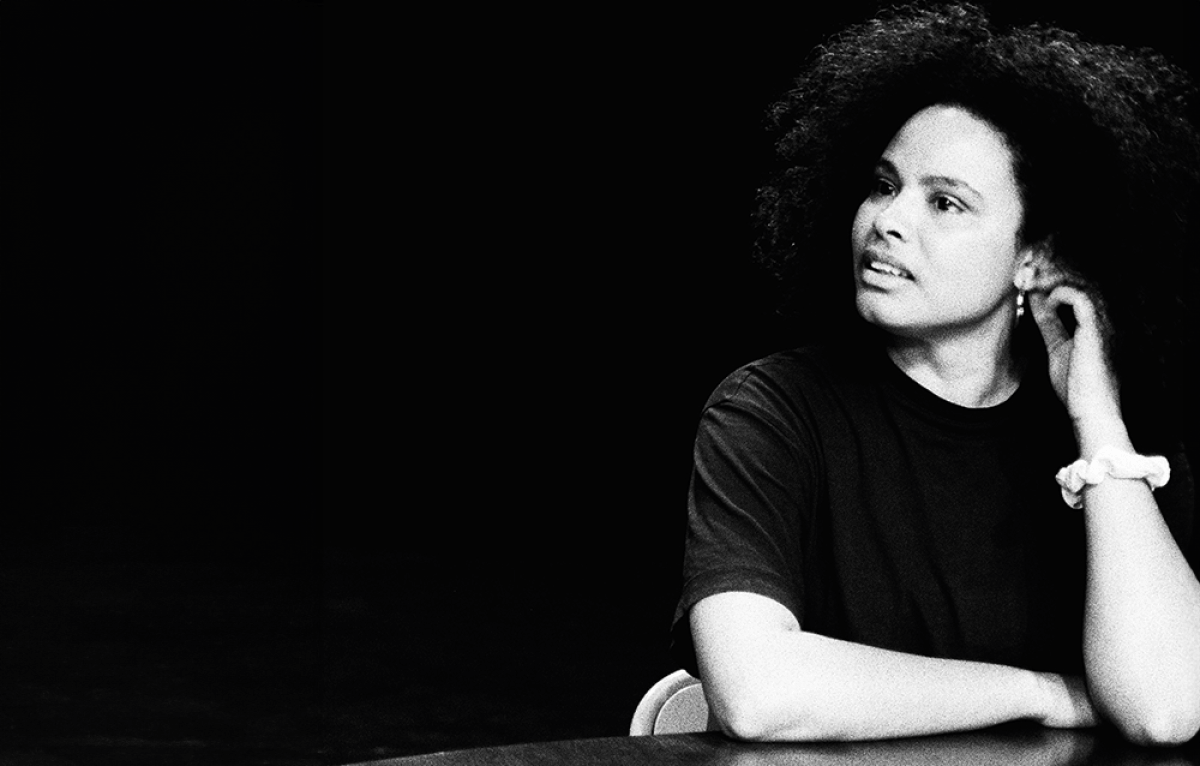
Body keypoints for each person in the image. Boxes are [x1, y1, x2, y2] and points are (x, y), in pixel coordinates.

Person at [671, 3, 1200, 746]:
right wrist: (1043, 693)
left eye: (945, 202)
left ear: (1036, 258)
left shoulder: (1122, 447)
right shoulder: (771, 411)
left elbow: (1164, 710)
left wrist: (1098, 422)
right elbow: (757, 693)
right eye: (884, 184)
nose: (888, 220)